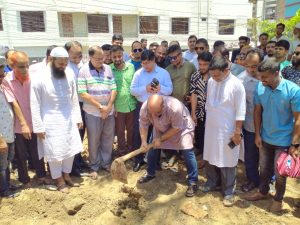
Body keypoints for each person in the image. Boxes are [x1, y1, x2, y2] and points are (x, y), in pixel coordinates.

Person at [244, 58, 300, 213]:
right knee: (264, 167)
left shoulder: (293, 90)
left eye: (265, 77)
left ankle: (278, 199)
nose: (262, 80)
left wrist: (295, 144)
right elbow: (257, 111)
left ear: (276, 73)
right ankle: (263, 191)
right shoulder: (260, 88)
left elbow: (298, 119)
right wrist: (257, 134)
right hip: (265, 137)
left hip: (284, 141)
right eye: (260, 76)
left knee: (280, 172)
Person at [30, 47, 83, 193]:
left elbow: (73, 98)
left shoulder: (69, 73)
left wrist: (77, 117)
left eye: (65, 64)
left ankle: (66, 175)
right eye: (60, 64)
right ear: (51, 60)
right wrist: (38, 127)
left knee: (70, 149)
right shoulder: (39, 77)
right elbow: (34, 103)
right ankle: (58, 179)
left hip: (68, 119)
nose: (63, 66)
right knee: (55, 152)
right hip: (49, 120)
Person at [202, 55, 246, 207]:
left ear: (226, 70)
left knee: (228, 159)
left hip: (229, 130)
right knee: (210, 155)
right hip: (211, 127)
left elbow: (241, 110)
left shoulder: (237, 85)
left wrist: (237, 131)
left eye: (217, 75)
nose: (214, 77)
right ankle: (212, 182)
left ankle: (229, 191)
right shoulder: (212, 81)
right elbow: (209, 103)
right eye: (212, 74)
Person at [2, 51, 48, 188]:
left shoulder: (33, 78)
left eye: (27, 66)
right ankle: (24, 179)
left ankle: (41, 176)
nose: (25, 70)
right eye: (21, 67)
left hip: (35, 121)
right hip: (18, 125)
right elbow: (14, 102)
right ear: (12, 65)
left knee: (37, 150)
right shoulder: (7, 80)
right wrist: (23, 124)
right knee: (21, 154)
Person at [138, 95, 199, 197]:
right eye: (151, 112)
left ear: (163, 106)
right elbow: (143, 124)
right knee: (152, 148)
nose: (153, 114)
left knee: (187, 150)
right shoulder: (145, 107)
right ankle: (150, 173)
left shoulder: (175, 108)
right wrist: (143, 141)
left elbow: (176, 128)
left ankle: (193, 181)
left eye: (156, 112)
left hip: (182, 128)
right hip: (160, 127)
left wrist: (160, 139)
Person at [78, 46, 117, 179]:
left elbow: (113, 88)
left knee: (108, 137)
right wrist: (101, 107)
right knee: (94, 140)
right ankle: (94, 166)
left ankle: (105, 163)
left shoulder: (108, 68)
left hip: (109, 111)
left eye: (103, 58)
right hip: (93, 112)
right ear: (90, 57)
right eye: (98, 59)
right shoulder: (83, 70)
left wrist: (109, 106)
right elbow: (83, 93)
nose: (102, 61)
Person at [130, 50, 173, 172]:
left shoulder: (163, 73)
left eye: (147, 63)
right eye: (143, 63)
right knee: (139, 134)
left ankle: (154, 162)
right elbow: (132, 90)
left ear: (154, 60)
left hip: (158, 110)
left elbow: (169, 90)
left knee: (157, 135)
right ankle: (138, 160)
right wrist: (145, 88)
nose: (145, 66)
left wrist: (160, 88)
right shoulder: (138, 73)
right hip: (142, 106)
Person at [237, 49, 264, 192]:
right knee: (250, 155)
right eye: (248, 65)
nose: (251, 69)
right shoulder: (240, 79)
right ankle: (252, 179)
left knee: (267, 156)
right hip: (250, 125)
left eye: (254, 66)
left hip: (269, 125)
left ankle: (268, 182)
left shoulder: (269, 77)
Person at [64, 41, 87, 177]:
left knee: (80, 135)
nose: (78, 57)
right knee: (74, 136)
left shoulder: (80, 65)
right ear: (67, 53)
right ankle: (73, 167)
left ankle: (78, 161)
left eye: (80, 54)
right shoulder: (65, 68)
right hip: (72, 106)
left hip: (83, 104)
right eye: (75, 54)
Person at [110, 45, 137, 157]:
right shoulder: (109, 69)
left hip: (131, 105)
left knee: (131, 130)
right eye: (114, 57)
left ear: (123, 55)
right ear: (111, 57)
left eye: (119, 56)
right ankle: (121, 152)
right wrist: (112, 107)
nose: (117, 59)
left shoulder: (131, 67)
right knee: (120, 132)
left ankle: (130, 152)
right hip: (118, 107)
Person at [190, 52, 212, 167]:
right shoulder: (195, 76)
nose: (202, 67)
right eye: (200, 64)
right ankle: (199, 149)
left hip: (212, 113)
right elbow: (193, 94)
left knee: (209, 135)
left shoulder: (214, 77)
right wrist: (193, 112)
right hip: (199, 111)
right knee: (199, 132)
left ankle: (206, 158)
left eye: (205, 64)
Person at [0, 59, 18, 198]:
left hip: (9, 134)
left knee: (7, 162)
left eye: (3, 75)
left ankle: (7, 184)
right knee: (2, 166)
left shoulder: (2, 88)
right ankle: (4, 190)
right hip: (2, 138)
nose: (2, 78)